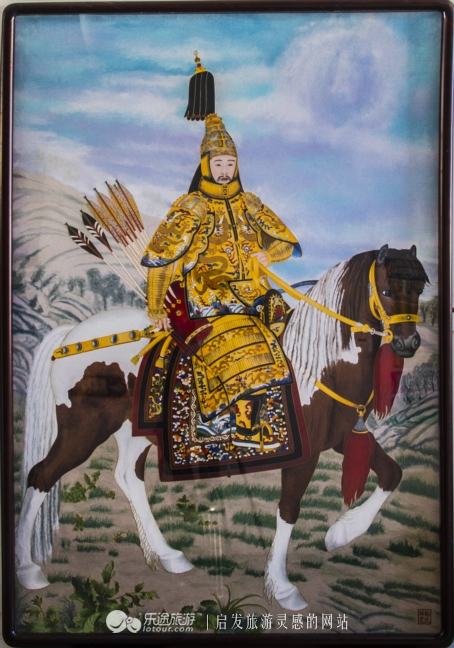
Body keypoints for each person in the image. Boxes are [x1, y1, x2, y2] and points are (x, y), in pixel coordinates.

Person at [141, 113, 302, 450]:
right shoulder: (193, 206)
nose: (225, 170)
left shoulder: (250, 202)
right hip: (207, 297)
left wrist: (268, 255)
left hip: (254, 294)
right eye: (218, 163)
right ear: (206, 165)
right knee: (240, 345)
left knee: (291, 328)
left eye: (230, 163)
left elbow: (285, 242)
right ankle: (229, 421)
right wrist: (156, 309)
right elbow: (161, 258)